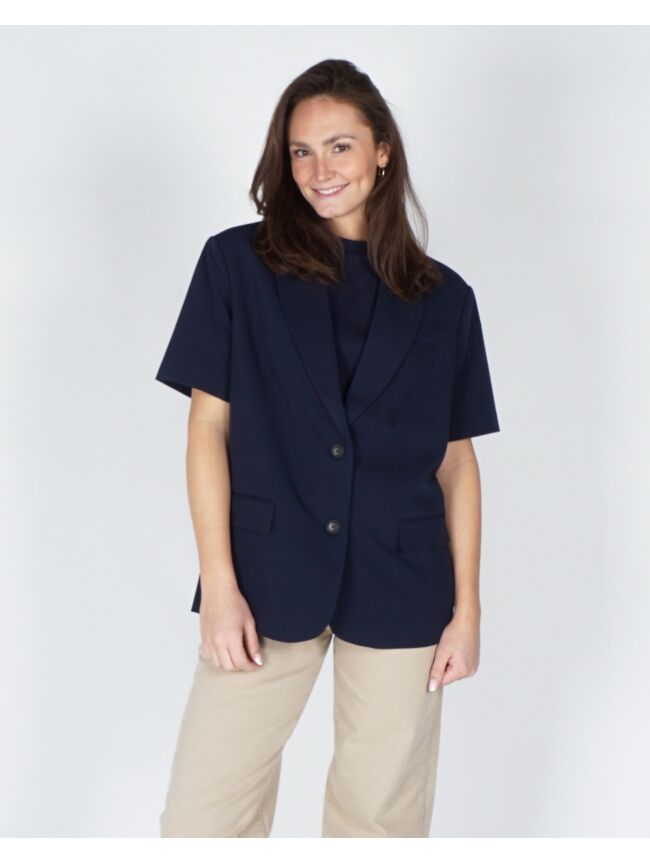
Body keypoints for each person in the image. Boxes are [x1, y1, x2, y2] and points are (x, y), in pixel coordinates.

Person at [154, 58, 500, 838]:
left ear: (382, 150)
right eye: (301, 151)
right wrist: (220, 587)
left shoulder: (446, 298)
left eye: (339, 146)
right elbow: (207, 429)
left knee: (379, 822)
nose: (319, 170)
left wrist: (468, 609)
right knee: (204, 818)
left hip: (404, 578)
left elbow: (456, 461)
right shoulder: (236, 267)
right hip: (264, 576)